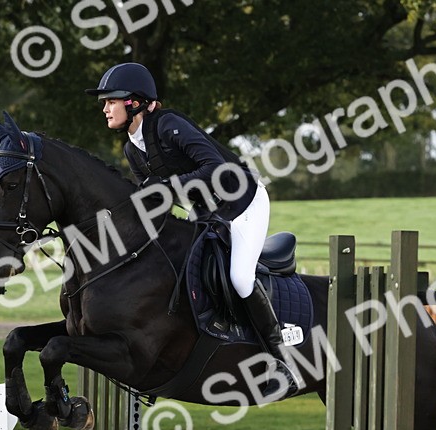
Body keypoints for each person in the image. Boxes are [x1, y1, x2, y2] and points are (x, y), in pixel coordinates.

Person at [87, 62, 303, 391]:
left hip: (242, 201)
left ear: (135, 102)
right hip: (206, 211)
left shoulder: (169, 125)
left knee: (240, 276)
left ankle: (282, 358)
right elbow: (152, 200)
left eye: (111, 100)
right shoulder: (132, 148)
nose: (105, 108)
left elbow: (214, 167)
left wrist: (165, 189)